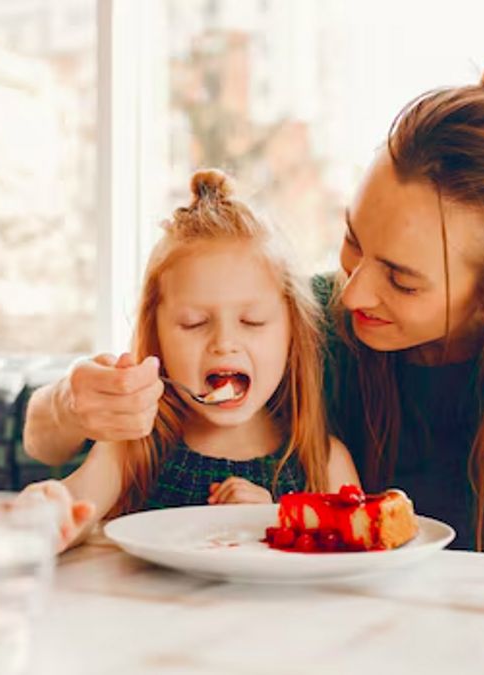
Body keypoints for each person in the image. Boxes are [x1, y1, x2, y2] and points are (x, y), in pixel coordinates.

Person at [23, 50, 484, 551]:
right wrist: (72, 403)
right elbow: (54, 445)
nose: (353, 293)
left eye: (402, 280)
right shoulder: (308, 317)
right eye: (353, 242)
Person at [21, 169, 359, 551]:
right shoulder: (134, 446)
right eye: (194, 323)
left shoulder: (323, 461)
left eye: (253, 321)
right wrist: (48, 512)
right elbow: (77, 509)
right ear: (157, 337)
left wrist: (274, 522)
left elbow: (352, 556)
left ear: (293, 335)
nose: (225, 343)